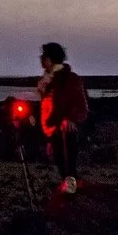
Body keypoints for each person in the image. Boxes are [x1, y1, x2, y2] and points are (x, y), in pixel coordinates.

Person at [37, 41, 88, 194]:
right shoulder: (47, 81)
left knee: (67, 159)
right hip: (52, 126)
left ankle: (71, 189)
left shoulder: (69, 78)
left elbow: (79, 102)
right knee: (59, 159)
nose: (41, 59)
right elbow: (47, 105)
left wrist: (70, 118)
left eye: (43, 56)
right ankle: (69, 186)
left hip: (64, 127)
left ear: (49, 59)